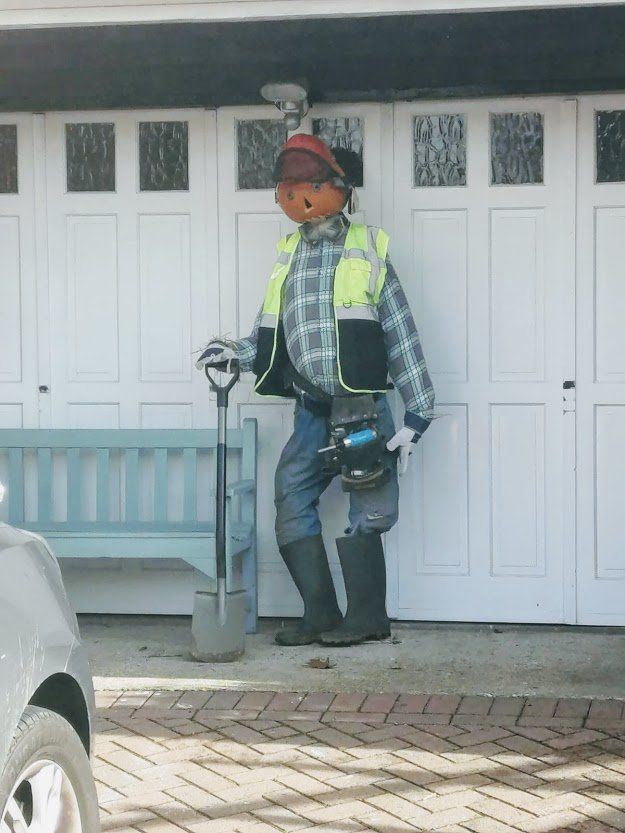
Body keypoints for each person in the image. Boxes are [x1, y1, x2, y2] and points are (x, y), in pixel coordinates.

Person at [197, 134, 434, 647]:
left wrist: (418, 415)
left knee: (368, 503)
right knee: (292, 496)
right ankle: (321, 613)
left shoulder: (368, 251)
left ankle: (368, 617)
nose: (295, 198)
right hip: (311, 408)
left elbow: (400, 332)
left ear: (338, 189)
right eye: (286, 188)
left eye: (307, 186)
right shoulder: (289, 257)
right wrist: (234, 351)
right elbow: (271, 330)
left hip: (361, 409)